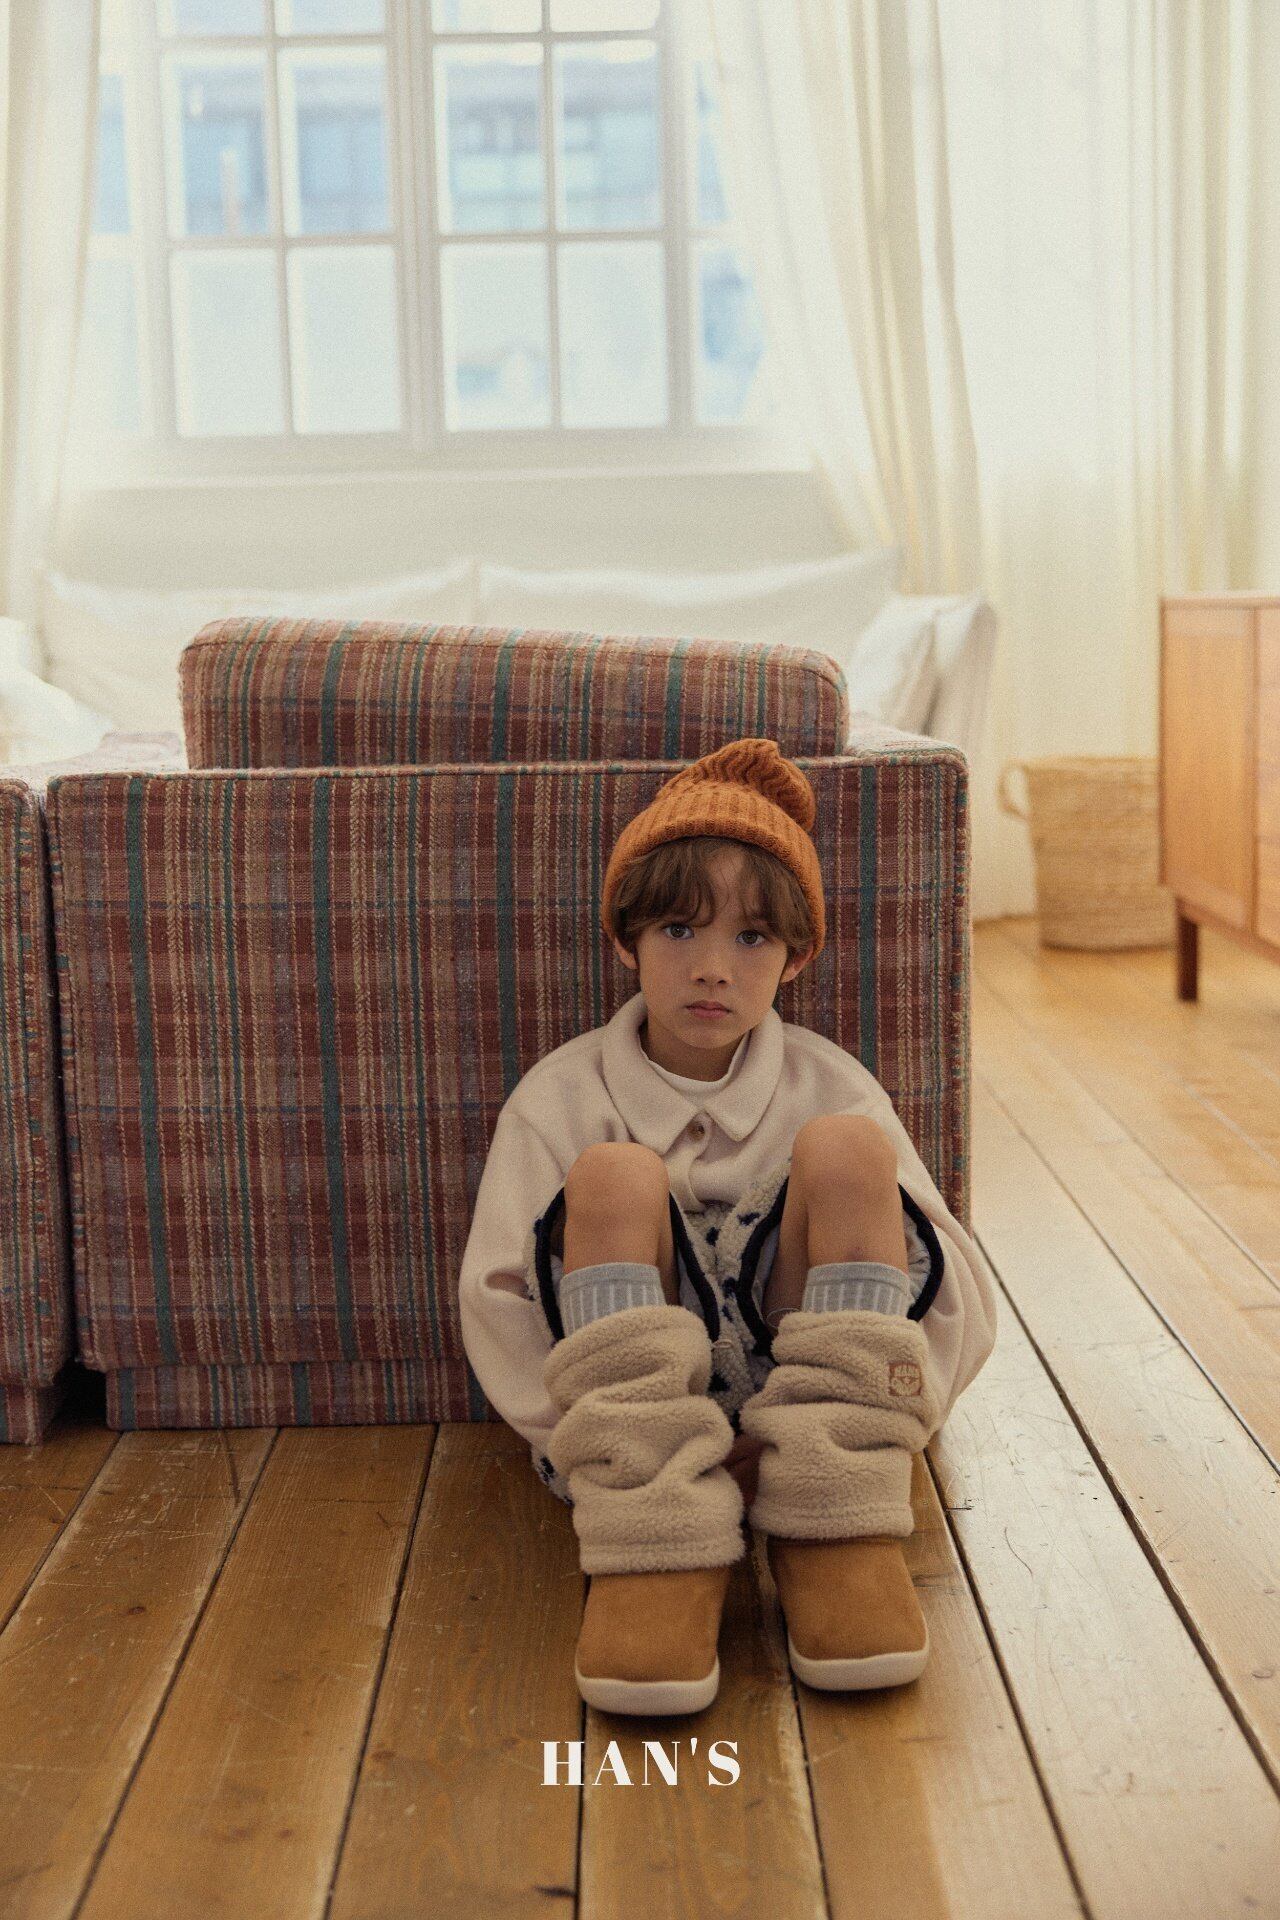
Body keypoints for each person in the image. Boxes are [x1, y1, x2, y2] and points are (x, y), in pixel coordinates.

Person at [458, 737, 998, 1715]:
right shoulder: (559, 1098)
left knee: (849, 1152)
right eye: (678, 929)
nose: (711, 969)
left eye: (751, 939)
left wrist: (890, 1427)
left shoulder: (832, 1084)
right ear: (625, 939)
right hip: (631, 1449)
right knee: (613, 1177)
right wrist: (588, 1443)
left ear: (796, 957)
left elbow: (952, 1288)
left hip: (826, 1434)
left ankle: (836, 1523)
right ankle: (655, 1543)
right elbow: (497, 1297)